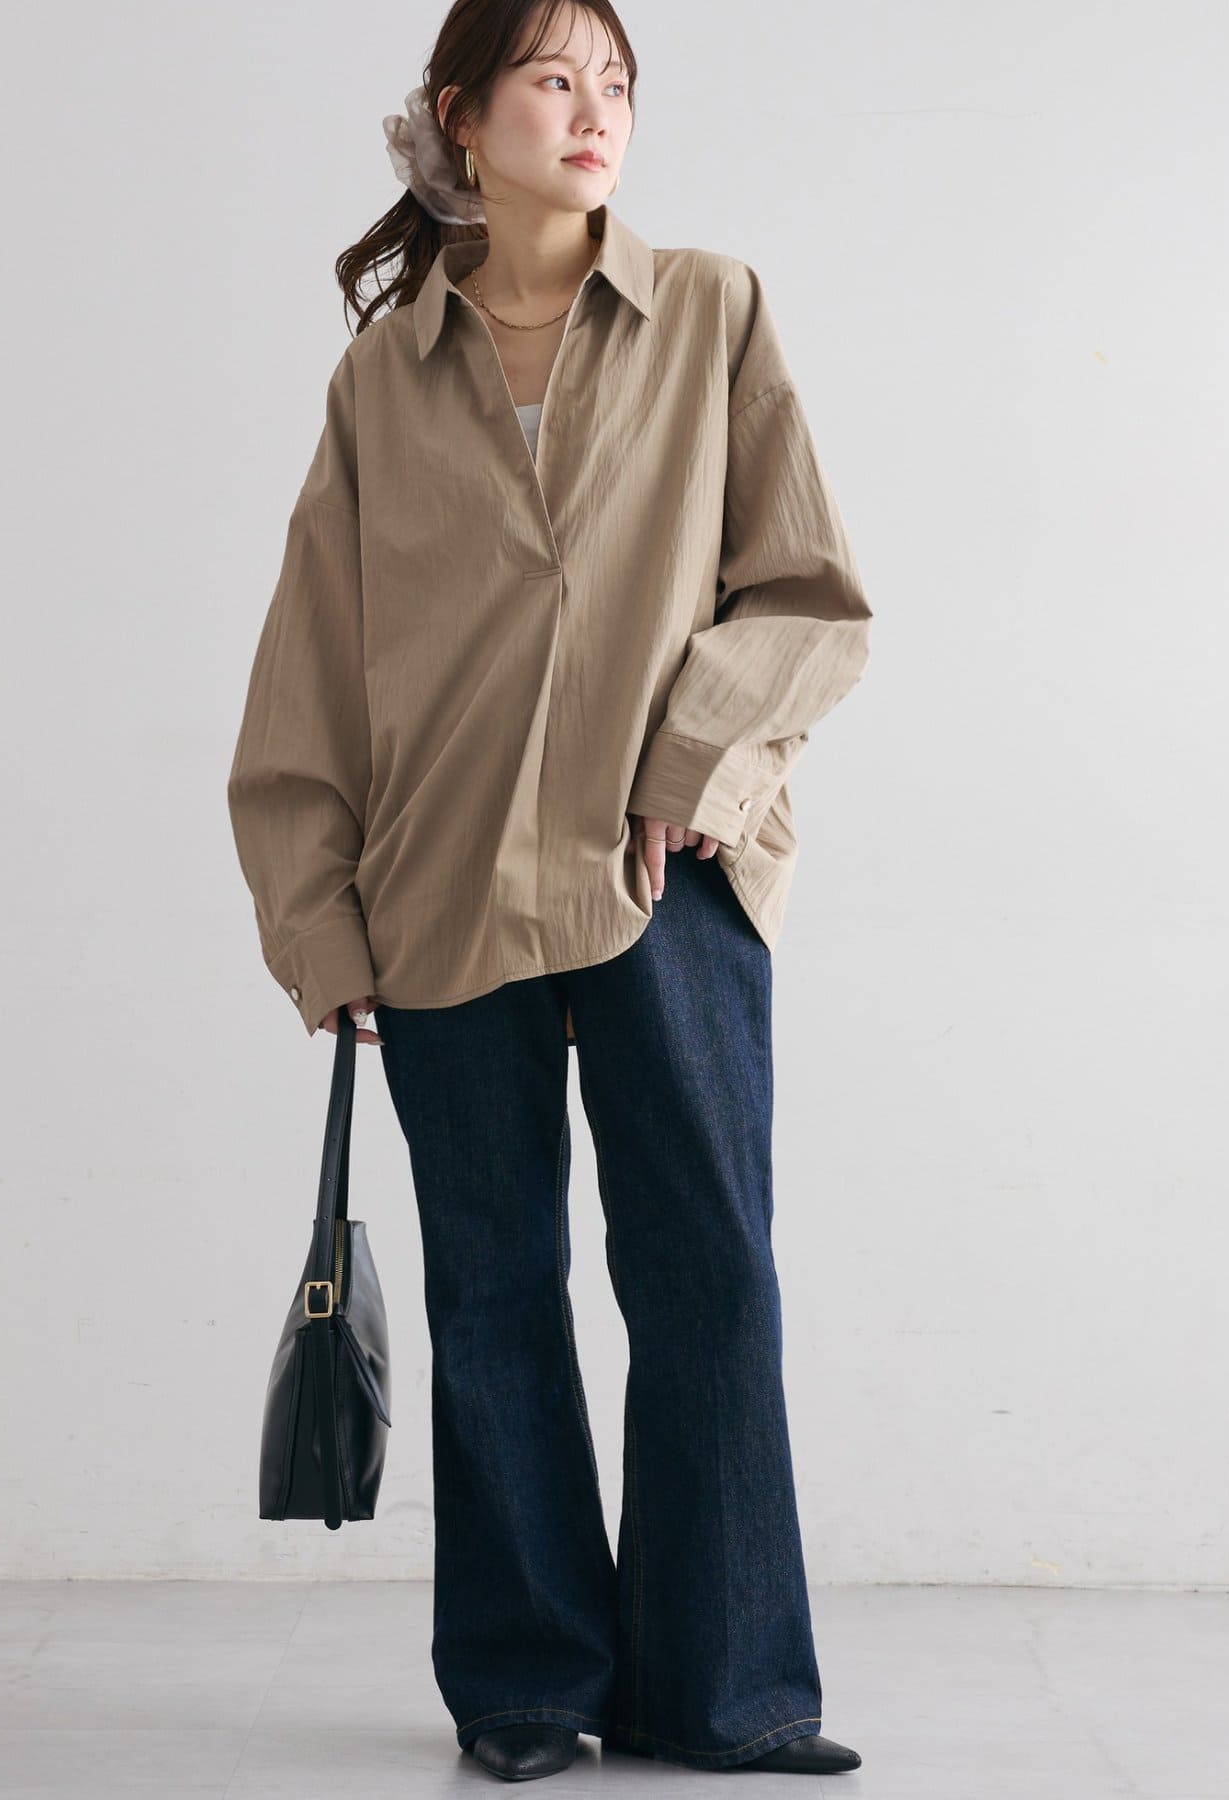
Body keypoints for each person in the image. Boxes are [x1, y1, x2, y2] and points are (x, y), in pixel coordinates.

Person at [227, 0, 871, 1781]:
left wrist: (691, 770)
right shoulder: (383, 381)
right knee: (492, 1292)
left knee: (708, 1270)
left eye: (617, 84)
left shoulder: (713, 313)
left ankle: (729, 1689)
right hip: (439, 893)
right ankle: (526, 1686)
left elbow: (810, 596)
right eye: (552, 78)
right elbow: (310, 675)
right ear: (462, 113)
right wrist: (318, 919)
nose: (595, 111)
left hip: (672, 878)